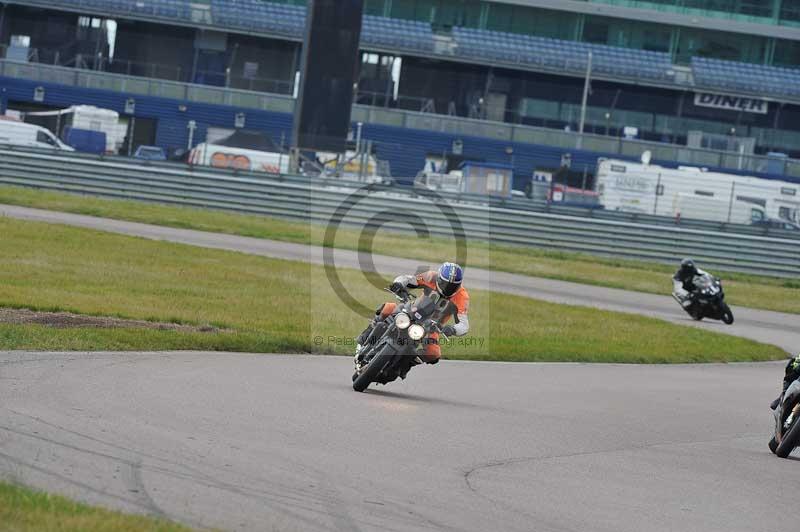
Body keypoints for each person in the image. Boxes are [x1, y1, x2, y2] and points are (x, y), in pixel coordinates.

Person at [355, 262, 470, 368]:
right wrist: (399, 284)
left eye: (452, 286)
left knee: (433, 354)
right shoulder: (430, 276)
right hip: (412, 310)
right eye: (444, 283)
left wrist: (452, 329)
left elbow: (464, 325)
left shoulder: (462, 297)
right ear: (439, 278)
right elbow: (408, 279)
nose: (447, 288)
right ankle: (362, 341)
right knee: (387, 308)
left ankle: (404, 365)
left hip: (432, 326)